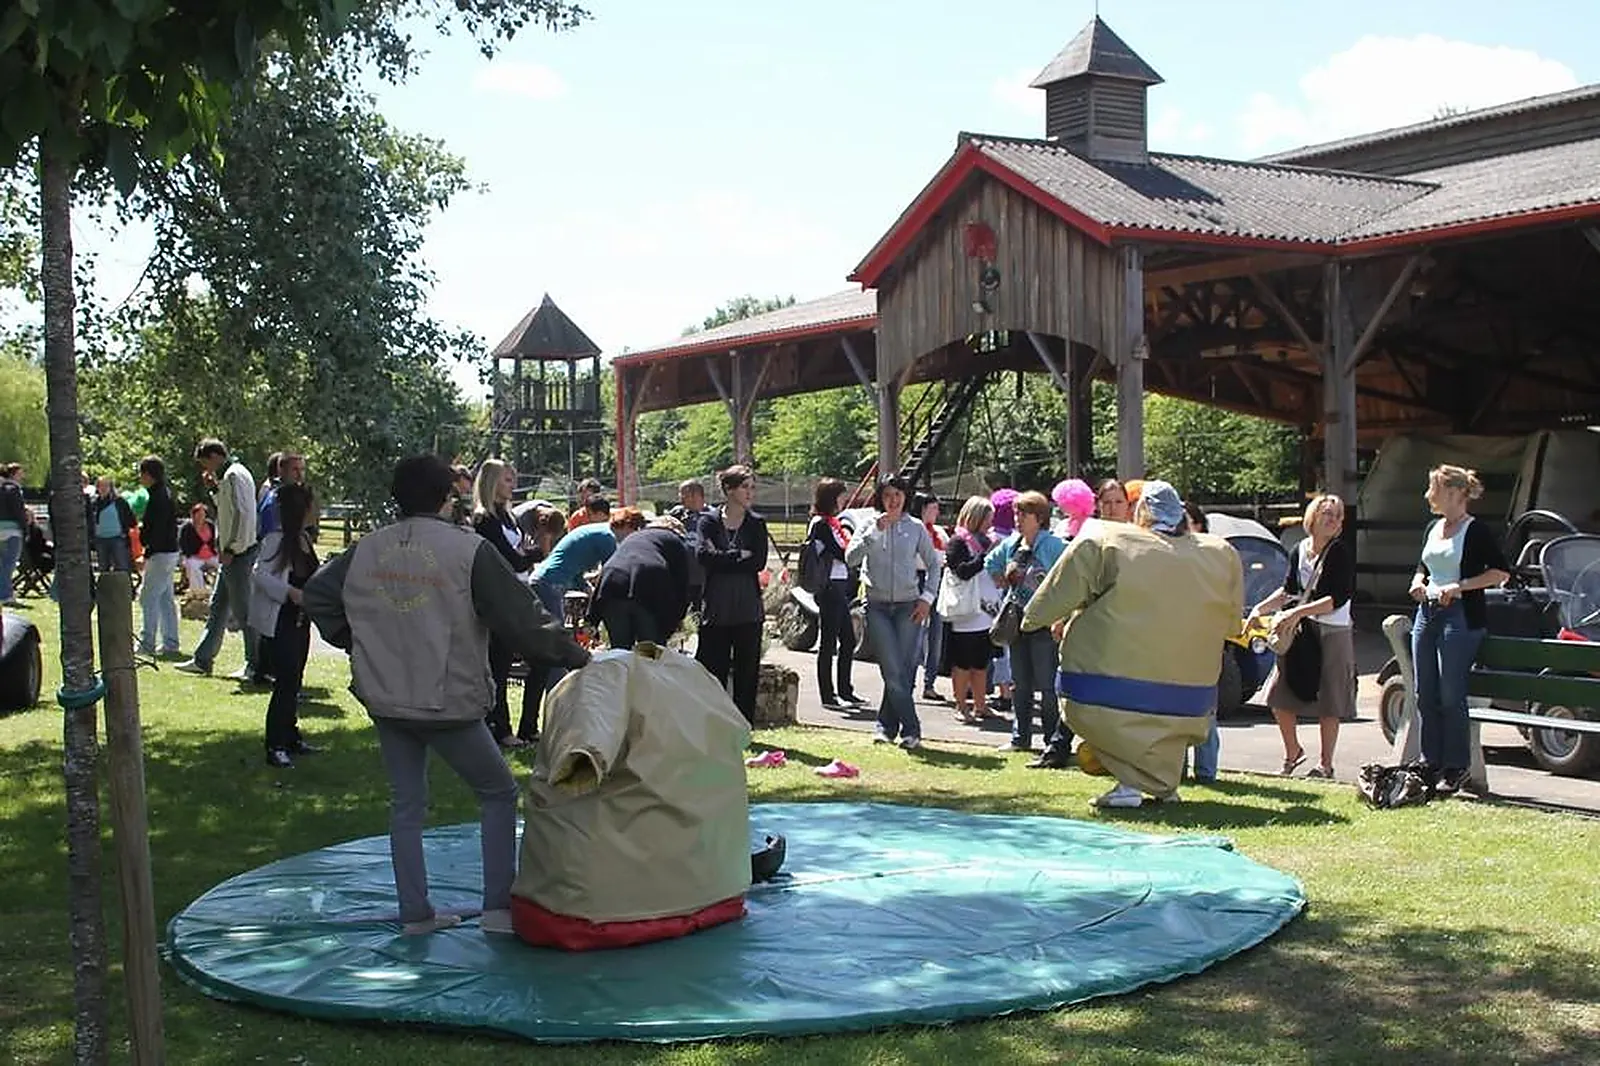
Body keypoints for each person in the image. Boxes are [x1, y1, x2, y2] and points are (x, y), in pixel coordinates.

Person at [302, 454, 590, 937]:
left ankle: (415, 914)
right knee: (497, 792)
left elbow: (318, 595)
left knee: (406, 804)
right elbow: (523, 618)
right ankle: (498, 908)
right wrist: (581, 659)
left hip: (387, 696)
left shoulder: (368, 549)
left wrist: (358, 639)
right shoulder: (467, 550)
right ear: (446, 496)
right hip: (447, 699)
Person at [1022, 481, 1242, 808]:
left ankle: (1129, 785)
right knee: (1162, 733)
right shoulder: (1219, 554)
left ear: (1142, 511)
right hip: (1191, 695)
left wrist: (1032, 617)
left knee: (1100, 716)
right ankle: (1162, 785)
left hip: (1110, 685)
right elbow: (1231, 622)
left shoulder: (1108, 540)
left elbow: (1056, 595)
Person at [1409, 465, 1509, 794]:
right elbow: (1424, 565)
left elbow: (1499, 573)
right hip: (1427, 612)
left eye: (1433, 489)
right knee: (1425, 692)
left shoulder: (1475, 531)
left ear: (1453, 493)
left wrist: (1460, 586)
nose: (1428, 495)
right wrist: (1418, 582)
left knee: (1451, 694)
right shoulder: (1432, 528)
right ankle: (1429, 761)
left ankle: (1456, 766)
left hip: (1461, 615)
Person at [1249, 495, 1357, 779]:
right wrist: (1260, 609)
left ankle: (1325, 765)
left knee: (1330, 697)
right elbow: (1288, 590)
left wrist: (1297, 613)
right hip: (1300, 631)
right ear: (1312, 518)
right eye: (1327, 514)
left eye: (1337, 516)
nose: (1333, 520)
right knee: (1278, 693)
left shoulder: (1339, 552)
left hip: (1333, 630)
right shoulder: (1299, 549)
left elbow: (1336, 598)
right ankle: (1292, 751)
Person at [845, 474, 941, 750]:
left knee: (904, 670)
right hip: (876, 606)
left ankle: (885, 726)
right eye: (888, 495)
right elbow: (850, 558)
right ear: (880, 498)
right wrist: (874, 533)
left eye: (898, 494)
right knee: (892, 669)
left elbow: (934, 565)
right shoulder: (867, 524)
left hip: (908, 605)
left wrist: (927, 598)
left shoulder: (916, 528)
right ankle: (912, 728)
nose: (893, 500)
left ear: (906, 497)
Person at [986, 490, 1068, 764]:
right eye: (1017, 513)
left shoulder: (1054, 545)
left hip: (1044, 622)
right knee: (1019, 682)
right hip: (1016, 621)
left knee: (1046, 685)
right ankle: (1020, 738)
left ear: (1040, 517)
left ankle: (1050, 740)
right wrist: (1001, 579)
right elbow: (990, 562)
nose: (1018, 518)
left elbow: (1069, 576)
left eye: (1024, 513)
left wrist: (1061, 616)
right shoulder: (1012, 544)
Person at [176, 439, 263, 683]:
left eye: (205, 461)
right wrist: (214, 489)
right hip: (234, 553)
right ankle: (203, 659)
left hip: (237, 553)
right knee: (218, 607)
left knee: (244, 612)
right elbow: (227, 508)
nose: (206, 466)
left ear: (215, 456)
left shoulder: (235, 476)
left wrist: (231, 548)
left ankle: (254, 665)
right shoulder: (232, 475)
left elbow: (241, 515)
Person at [470, 459, 540, 748]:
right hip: (499, 597)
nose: (513, 485)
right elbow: (513, 559)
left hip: (520, 592)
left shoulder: (508, 517)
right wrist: (534, 553)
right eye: (508, 480)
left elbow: (522, 555)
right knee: (498, 665)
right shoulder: (484, 519)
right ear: (492, 482)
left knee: (541, 658)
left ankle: (528, 726)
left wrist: (528, 555)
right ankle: (501, 729)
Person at [251, 483, 320, 768]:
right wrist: (290, 593)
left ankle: (291, 736)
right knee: (286, 682)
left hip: (300, 620)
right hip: (281, 621)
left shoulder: (303, 540)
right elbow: (260, 575)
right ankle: (275, 745)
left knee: (295, 681)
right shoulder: (276, 541)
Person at [696, 465, 770, 724]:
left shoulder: (756, 523)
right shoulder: (708, 520)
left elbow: (758, 561)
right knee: (712, 670)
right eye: (744, 487)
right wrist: (738, 555)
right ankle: (713, 723)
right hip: (716, 608)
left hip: (747, 608)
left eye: (752, 487)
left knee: (746, 671)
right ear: (728, 489)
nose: (750, 493)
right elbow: (704, 556)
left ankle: (743, 725)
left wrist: (724, 557)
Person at [589, 517, 691, 649]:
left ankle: (622, 667)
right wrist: (677, 619)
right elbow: (681, 584)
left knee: (620, 651)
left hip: (612, 582)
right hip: (648, 586)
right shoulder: (675, 540)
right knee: (649, 651)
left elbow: (610, 569)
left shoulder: (634, 537)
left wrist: (592, 618)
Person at [941, 495, 999, 724]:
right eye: (987, 519)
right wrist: (983, 557)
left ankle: (980, 705)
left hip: (986, 610)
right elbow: (962, 571)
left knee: (981, 662)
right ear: (976, 517)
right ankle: (961, 705)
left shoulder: (987, 540)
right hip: (965, 613)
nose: (990, 524)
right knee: (962, 662)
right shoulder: (958, 541)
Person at [807, 478, 861, 710]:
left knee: (847, 639)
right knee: (829, 641)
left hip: (839, 585)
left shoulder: (834, 523)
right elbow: (839, 552)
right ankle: (828, 695)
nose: (844, 500)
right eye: (840, 496)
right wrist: (858, 549)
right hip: (828, 587)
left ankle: (845, 690)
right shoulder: (820, 524)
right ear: (831, 497)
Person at [532, 500, 618, 617]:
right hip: (551, 582)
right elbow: (611, 574)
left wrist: (587, 587)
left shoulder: (596, 531)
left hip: (543, 579)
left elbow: (575, 570)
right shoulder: (607, 536)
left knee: (553, 628)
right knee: (556, 629)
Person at [136, 457, 182, 656]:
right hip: (170, 551)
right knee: (165, 597)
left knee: (148, 597)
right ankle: (171, 641)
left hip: (160, 553)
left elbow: (156, 530)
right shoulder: (165, 493)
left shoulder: (157, 497)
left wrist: (146, 552)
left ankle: (147, 642)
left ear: (148, 475)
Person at [913, 493, 949, 702]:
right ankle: (909, 679)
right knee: (916, 632)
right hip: (917, 578)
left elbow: (943, 556)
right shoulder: (915, 530)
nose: (937, 512)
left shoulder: (939, 533)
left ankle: (930, 682)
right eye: (933, 508)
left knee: (936, 634)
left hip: (936, 579)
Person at [670, 479, 711, 614]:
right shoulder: (677, 515)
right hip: (682, 576)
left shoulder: (712, 516)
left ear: (695, 495)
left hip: (706, 577)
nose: (680, 498)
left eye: (683, 495)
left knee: (703, 613)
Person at [88, 476, 136, 572]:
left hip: (118, 539)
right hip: (100, 540)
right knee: (103, 568)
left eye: (106, 486)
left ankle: (124, 586)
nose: (103, 488)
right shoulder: (93, 503)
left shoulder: (120, 502)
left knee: (122, 567)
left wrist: (125, 533)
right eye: (101, 486)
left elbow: (131, 520)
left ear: (111, 487)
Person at [0, 463, 28, 606]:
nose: (23, 476)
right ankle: (6, 595)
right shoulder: (14, 489)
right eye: (20, 473)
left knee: (2, 564)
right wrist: (25, 529)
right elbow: (19, 512)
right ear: (14, 474)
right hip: (12, 530)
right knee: (9, 564)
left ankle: (4, 592)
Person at [179, 504, 220, 592]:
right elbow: (183, 544)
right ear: (193, 515)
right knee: (193, 566)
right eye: (199, 514)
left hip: (210, 555)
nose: (201, 516)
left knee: (222, 567)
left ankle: (218, 591)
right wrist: (186, 556)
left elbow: (214, 542)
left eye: (203, 514)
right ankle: (199, 592)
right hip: (194, 556)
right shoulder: (187, 527)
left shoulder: (210, 525)